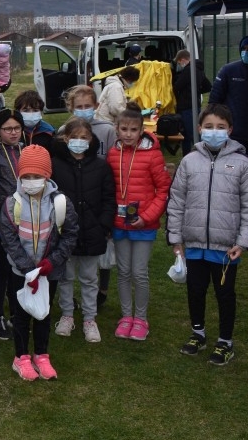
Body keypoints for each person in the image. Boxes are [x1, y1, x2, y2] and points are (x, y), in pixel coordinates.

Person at [168, 104, 248, 366]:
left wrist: (243, 242)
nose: (214, 132)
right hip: (195, 243)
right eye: (209, 127)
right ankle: (198, 333)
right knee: (195, 291)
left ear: (230, 130)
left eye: (220, 127)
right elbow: (176, 202)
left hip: (225, 247)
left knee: (224, 294)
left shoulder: (243, 163)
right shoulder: (188, 161)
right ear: (199, 129)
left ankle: (225, 341)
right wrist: (176, 239)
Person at [0, 145, 78, 381]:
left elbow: (70, 234)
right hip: (20, 272)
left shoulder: (61, 203)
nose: (32, 181)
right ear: (20, 176)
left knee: (43, 313)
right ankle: (21, 357)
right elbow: (9, 239)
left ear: (47, 176)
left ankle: (42, 355)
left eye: (37, 176)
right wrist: (27, 269)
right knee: (21, 315)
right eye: (27, 177)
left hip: (48, 271)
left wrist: (50, 263)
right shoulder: (11, 204)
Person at [107, 104, 172, 341]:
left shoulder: (153, 154)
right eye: (123, 129)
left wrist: (147, 216)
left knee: (139, 272)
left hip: (144, 224)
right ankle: (126, 316)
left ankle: (141, 318)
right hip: (119, 223)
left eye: (133, 130)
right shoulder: (113, 153)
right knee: (123, 271)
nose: (128, 134)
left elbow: (164, 188)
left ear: (142, 130)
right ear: (116, 129)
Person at [50, 117, 116, 343]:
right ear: (65, 138)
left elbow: (109, 198)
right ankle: (67, 315)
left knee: (89, 278)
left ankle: (90, 319)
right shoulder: (55, 164)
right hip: (63, 232)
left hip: (92, 231)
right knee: (66, 277)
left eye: (84, 138)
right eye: (74, 137)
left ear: (91, 140)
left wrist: (104, 225)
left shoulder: (101, 166)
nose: (79, 141)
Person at [59, 85, 117, 307]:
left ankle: (101, 289)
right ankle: (70, 298)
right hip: (74, 196)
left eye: (87, 106)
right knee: (72, 254)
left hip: (99, 192)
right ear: (71, 108)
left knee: (101, 250)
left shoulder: (108, 130)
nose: (83, 110)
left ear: (97, 106)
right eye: (79, 106)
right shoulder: (64, 131)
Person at [0, 108, 25, 340]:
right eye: (8, 129)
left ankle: (16, 312)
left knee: (18, 268)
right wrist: (9, 203)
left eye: (17, 128)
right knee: (2, 268)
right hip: (0, 222)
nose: (13, 133)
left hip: (27, 222)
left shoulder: (28, 151)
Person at [208, 33, 248, 167]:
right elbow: (214, 102)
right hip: (231, 134)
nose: (246, 52)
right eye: (244, 49)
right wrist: (216, 130)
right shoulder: (228, 71)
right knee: (227, 171)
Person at [172, 50, 213, 154]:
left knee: (189, 133)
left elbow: (177, 86)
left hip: (186, 106)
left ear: (183, 60)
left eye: (179, 62)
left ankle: (196, 154)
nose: (179, 65)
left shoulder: (188, 70)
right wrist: (196, 91)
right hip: (195, 104)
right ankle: (196, 153)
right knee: (194, 131)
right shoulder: (199, 69)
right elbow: (208, 86)